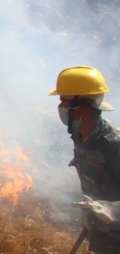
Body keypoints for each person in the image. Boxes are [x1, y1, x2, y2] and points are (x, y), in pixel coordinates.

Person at [51, 67, 120, 253]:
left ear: (80, 109)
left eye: (63, 101)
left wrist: (111, 210)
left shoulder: (113, 144)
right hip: (101, 235)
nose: (60, 107)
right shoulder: (80, 136)